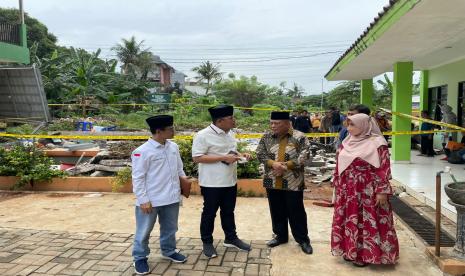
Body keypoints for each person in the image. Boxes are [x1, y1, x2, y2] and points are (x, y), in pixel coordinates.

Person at [331, 113, 399, 267]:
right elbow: (339, 162)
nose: (348, 128)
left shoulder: (378, 143)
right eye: (347, 124)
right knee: (349, 219)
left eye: (352, 124)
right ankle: (350, 250)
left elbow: (383, 168)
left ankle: (365, 255)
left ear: (364, 125)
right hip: (347, 189)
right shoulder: (348, 140)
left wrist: (382, 190)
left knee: (366, 220)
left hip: (368, 190)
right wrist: (336, 182)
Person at [192, 104, 252, 259]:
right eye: (231, 118)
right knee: (209, 213)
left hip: (230, 180)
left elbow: (231, 151)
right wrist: (223, 158)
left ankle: (231, 238)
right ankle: (207, 241)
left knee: (228, 211)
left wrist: (241, 154)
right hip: (212, 183)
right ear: (219, 121)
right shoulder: (203, 135)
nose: (234, 120)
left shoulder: (230, 133)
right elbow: (197, 157)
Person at [131, 115, 189, 275]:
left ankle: (169, 251)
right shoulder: (141, 152)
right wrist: (143, 200)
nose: (174, 131)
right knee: (144, 231)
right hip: (151, 200)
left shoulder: (173, 147)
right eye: (170, 129)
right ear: (158, 131)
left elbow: (179, 169)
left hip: (171, 197)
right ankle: (139, 257)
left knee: (170, 228)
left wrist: (184, 185)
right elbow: (138, 178)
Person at [256, 111, 313, 255]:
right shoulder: (267, 137)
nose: (273, 126)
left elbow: (305, 157)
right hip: (272, 180)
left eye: (277, 123)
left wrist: (285, 166)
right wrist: (273, 164)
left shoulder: (299, 137)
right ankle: (280, 236)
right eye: (271, 123)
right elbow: (260, 153)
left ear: (287, 124)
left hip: (293, 181)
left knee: (296, 211)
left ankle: (303, 240)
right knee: (276, 210)